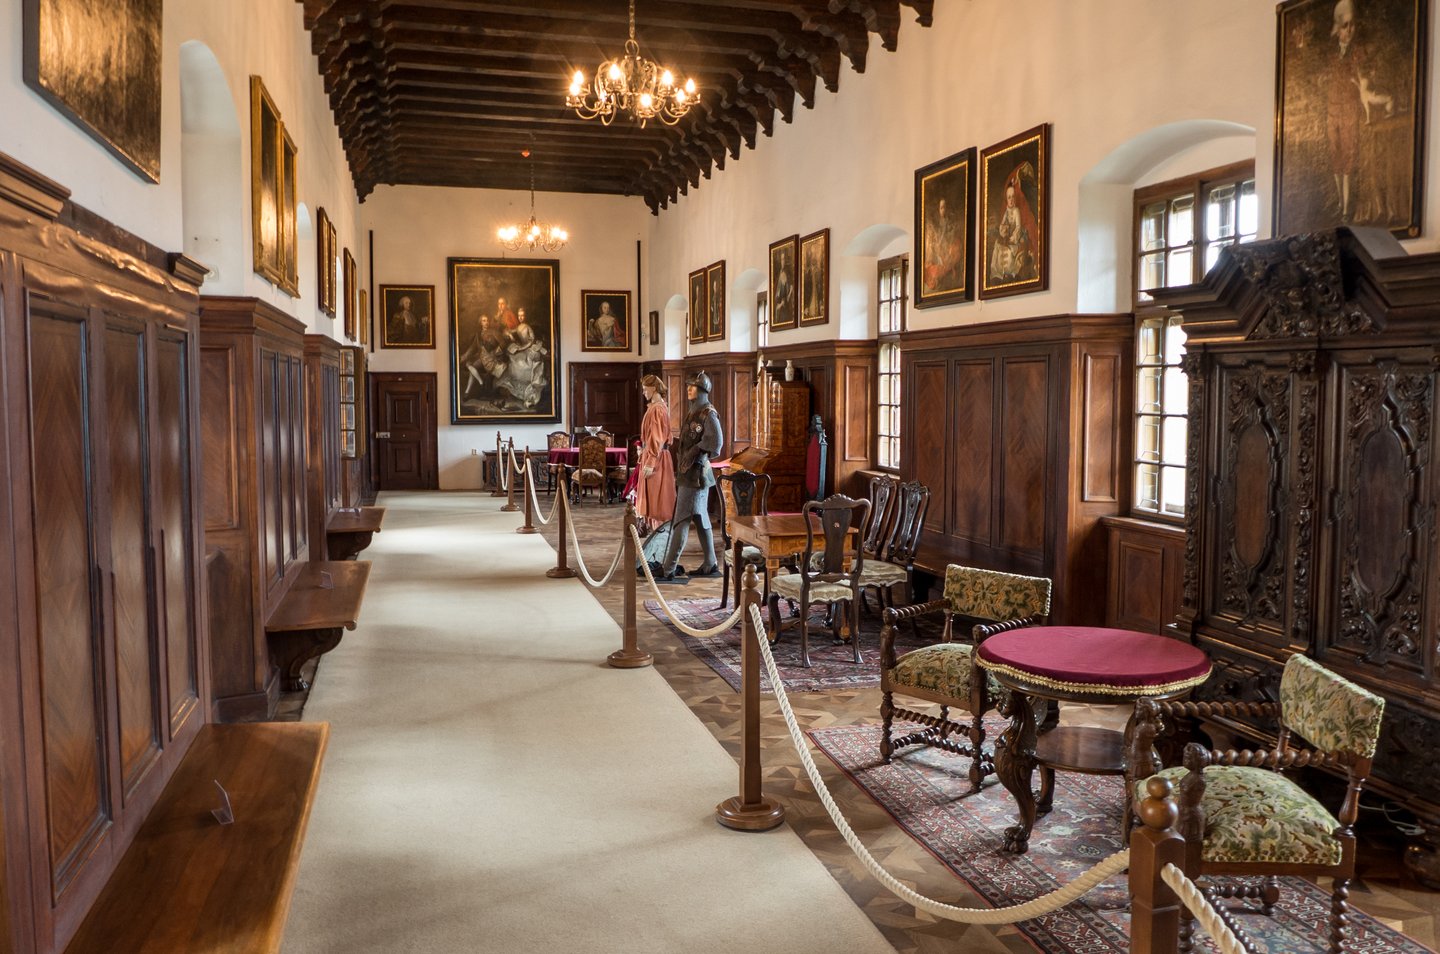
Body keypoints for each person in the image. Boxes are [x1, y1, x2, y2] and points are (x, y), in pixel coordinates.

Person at [1324, 0, 1395, 223]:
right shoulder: (1331, 56)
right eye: (1346, 25)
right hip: (1332, 108)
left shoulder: (1359, 52)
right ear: (1338, 27)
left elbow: (1366, 78)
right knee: (1335, 154)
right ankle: (1339, 203)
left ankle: (1347, 208)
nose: (1350, 30)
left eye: (1353, 25)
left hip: (1350, 108)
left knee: (1349, 156)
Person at [657, 371, 722, 582]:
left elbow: (716, 443)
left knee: (682, 519)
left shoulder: (707, 413)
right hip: (688, 473)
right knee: (700, 519)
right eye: (689, 386)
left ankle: (668, 568)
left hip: (696, 475)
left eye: (693, 386)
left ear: (703, 390)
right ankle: (711, 563)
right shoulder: (693, 411)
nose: (689, 389)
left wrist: (697, 450)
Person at [633, 375, 676, 534]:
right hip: (654, 456)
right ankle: (654, 534)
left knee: (657, 499)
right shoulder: (656, 407)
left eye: (645, 389)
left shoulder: (657, 409)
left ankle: (659, 537)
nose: (644, 392)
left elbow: (657, 439)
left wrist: (650, 462)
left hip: (656, 460)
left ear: (654, 388)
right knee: (653, 498)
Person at [989, 164, 1039, 284]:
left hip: (1017, 234)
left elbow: (1018, 226)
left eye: (1012, 197)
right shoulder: (1007, 210)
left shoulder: (1016, 211)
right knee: (998, 246)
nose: (1011, 200)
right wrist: (1002, 230)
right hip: (1008, 234)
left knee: (1014, 249)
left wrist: (1014, 236)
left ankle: (1012, 272)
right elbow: (1003, 222)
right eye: (1009, 197)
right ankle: (1000, 273)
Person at [493, 307, 547, 410]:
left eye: (522, 315)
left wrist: (522, 348)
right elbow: (511, 331)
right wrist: (508, 333)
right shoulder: (519, 326)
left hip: (530, 349)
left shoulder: (528, 327)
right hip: (523, 348)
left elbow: (531, 341)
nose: (520, 317)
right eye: (519, 315)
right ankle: (512, 386)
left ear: (525, 316)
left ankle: (528, 391)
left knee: (523, 363)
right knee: (512, 357)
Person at [923, 196, 963, 293]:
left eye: (945, 207)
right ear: (939, 209)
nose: (943, 210)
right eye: (941, 208)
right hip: (938, 254)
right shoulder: (936, 225)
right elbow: (935, 242)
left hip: (948, 252)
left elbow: (953, 240)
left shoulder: (952, 224)